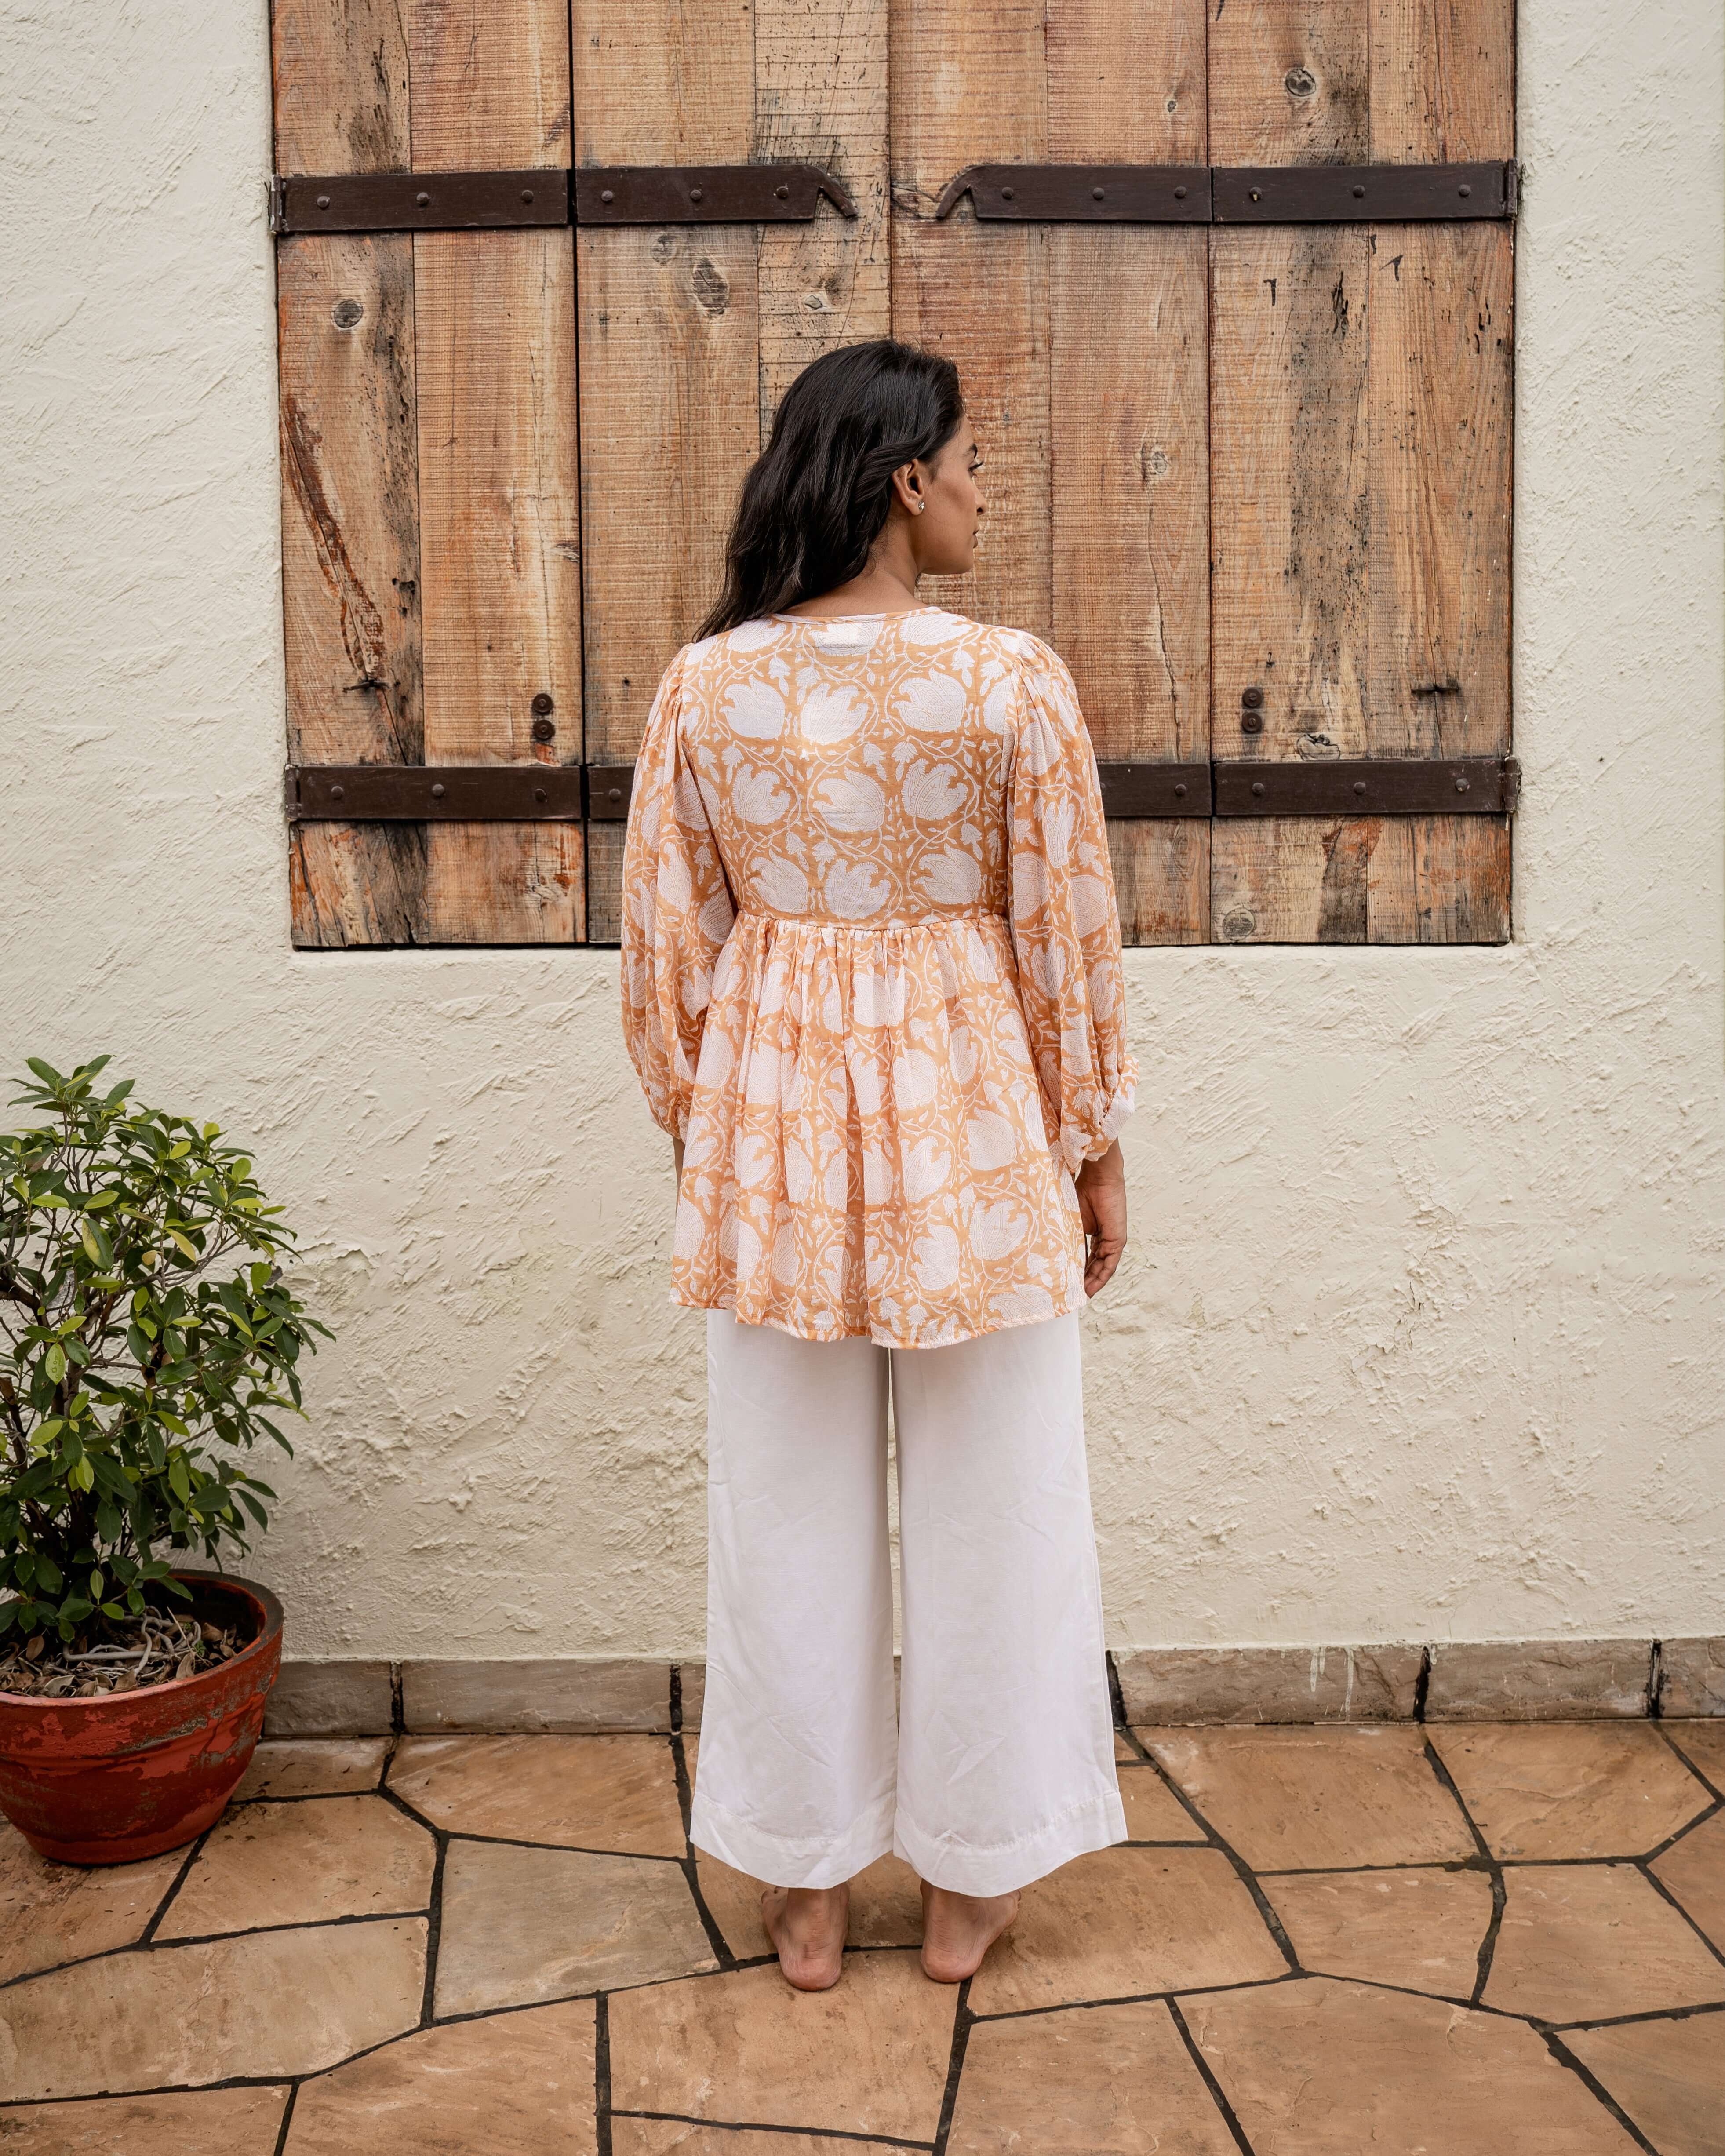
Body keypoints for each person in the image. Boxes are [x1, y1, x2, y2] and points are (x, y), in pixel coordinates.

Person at [620, 338, 1135, 1992]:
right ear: (904, 478)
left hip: (771, 1129)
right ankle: (976, 1876)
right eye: (970, 457)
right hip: (977, 1127)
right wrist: (1094, 1139)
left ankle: (804, 1875)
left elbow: (662, 952)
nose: (988, 485)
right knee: (1002, 1504)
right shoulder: (1008, 681)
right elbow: (1064, 932)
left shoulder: (707, 687)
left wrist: (704, 1127)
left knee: (782, 1508)